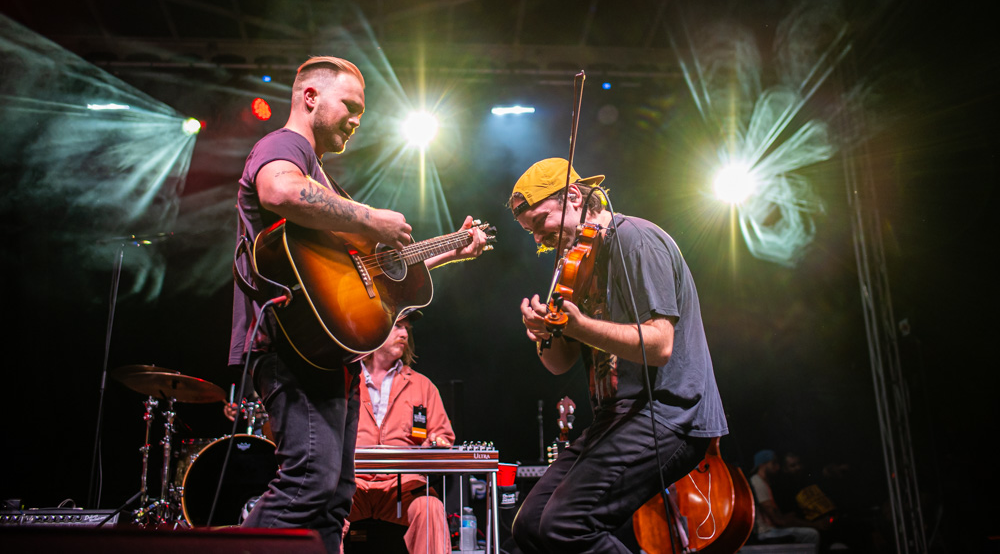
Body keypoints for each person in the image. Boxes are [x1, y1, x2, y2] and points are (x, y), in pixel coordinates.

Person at [229, 56, 487, 553]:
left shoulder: (323, 179)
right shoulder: (284, 148)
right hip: (293, 348)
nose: (356, 119)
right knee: (308, 485)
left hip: (328, 355)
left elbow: (362, 284)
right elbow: (279, 188)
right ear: (310, 97)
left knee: (332, 498)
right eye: (350, 105)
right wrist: (370, 218)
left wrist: (448, 252)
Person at [509, 158, 729, 553]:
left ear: (573, 197)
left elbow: (660, 345)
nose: (539, 238)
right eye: (530, 231)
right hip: (617, 417)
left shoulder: (636, 240)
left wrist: (578, 326)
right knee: (528, 525)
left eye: (541, 222)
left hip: (668, 412)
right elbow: (558, 363)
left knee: (565, 523)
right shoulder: (573, 263)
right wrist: (545, 334)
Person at [344, 310, 454, 554]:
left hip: (403, 487)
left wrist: (436, 444)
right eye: (397, 326)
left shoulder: (423, 385)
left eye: (407, 329)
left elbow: (443, 437)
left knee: (431, 508)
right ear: (373, 332)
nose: (404, 333)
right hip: (353, 484)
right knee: (325, 506)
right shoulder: (345, 379)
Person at [749, 449, 823, 551]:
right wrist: (814, 525)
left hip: (772, 529)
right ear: (763, 464)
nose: (777, 467)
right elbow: (778, 520)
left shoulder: (764, 483)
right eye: (774, 463)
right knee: (812, 534)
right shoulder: (757, 482)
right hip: (766, 532)